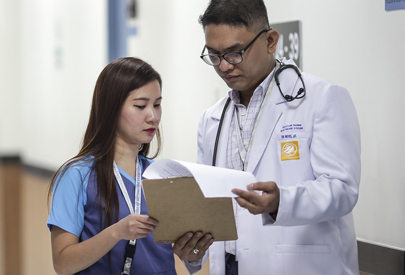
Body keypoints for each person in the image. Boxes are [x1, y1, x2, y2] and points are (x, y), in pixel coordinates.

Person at [173, 0, 361, 274]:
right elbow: (210, 205)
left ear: (270, 41)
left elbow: (343, 190)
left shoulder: (322, 98)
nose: (224, 66)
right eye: (214, 55)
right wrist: (193, 252)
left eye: (235, 53)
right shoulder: (211, 119)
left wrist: (281, 202)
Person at [47, 57, 177, 275]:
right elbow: (63, 264)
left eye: (157, 104)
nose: (153, 116)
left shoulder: (162, 175)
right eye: (140, 106)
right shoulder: (77, 176)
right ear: (111, 108)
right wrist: (117, 232)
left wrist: (193, 251)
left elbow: (173, 253)